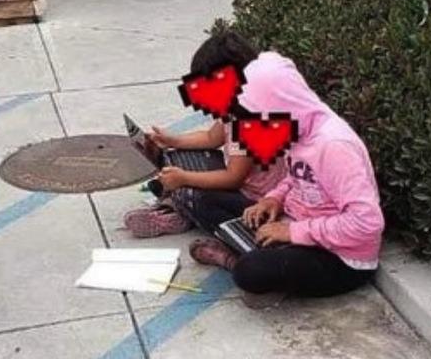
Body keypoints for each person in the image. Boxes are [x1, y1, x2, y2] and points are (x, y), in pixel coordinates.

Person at [188, 32, 386, 300]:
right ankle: (255, 247)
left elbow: (367, 223)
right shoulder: (297, 128)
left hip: (339, 258)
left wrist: (293, 232)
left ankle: (237, 260)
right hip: (296, 222)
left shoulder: (333, 145)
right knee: (205, 200)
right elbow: (298, 177)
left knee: (251, 272)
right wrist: (273, 199)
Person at [123, 33, 287, 238]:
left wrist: (185, 178)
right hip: (239, 179)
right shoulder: (235, 106)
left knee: (199, 198)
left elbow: (233, 178)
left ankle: (179, 213)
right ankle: (175, 200)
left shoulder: (250, 121)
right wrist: (172, 140)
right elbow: (212, 138)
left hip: (256, 200)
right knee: (174, 157)